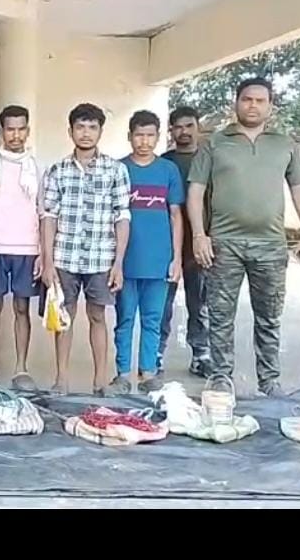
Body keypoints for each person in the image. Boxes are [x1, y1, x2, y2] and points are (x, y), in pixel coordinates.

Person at [188, 77, 300, 397]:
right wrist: (199, 235)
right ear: (236, 102)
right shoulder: (215, 143)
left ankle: (269, 382)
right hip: (223, 244)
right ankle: (221, 377)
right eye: (247, 99)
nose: (253, 105)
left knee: (269, 317)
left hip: (270, 246)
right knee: (220, 316)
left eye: (260, 100)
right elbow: (196, 191)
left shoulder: (284, 144)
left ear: (271, 106)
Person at [40, 103, 130, 396]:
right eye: (80, 127)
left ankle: (100, 381)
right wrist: (48, 261)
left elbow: (122, 216)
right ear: (70, 132)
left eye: (92, 127)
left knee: (97, 316)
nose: (86, 133)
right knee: (62, 317)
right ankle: (61, 379)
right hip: (64, 257)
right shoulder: (57, 170)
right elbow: (49, 216)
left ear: (101, 132)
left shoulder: (115, 170)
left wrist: (118, 263)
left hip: (100, 258)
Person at [109, 110, 184, 395]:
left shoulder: (168, 170)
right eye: (139, 135)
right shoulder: (118, 169)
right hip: (126, 261)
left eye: (150, 135)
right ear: (129, 136)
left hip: (159, 260)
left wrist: (176, 258)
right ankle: (122, 374)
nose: (144, 141)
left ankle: (149, 372)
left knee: (153, 319)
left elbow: (176, 216)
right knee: (125, 318)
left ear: (158, 137)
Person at [0, 104, 41, 390]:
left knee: (22, 308)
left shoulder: (37, 167)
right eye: (10, 129)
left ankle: (21, 369)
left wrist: (43, 253)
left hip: (28, 248)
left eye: (20, 129)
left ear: (28, 130)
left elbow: (44, 211)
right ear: (1, 131)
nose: (15, 135)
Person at [159, 105, 212, 377]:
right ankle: (155, 353)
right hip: (168, 244)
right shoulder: (163, 163)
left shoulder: (209, 160)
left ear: (198, 127)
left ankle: (201, 354)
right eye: (178, 127)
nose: (184, 132)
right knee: (162, 302)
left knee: (200, 301)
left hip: (201, 243)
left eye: (189, 126)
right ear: (171, 131)